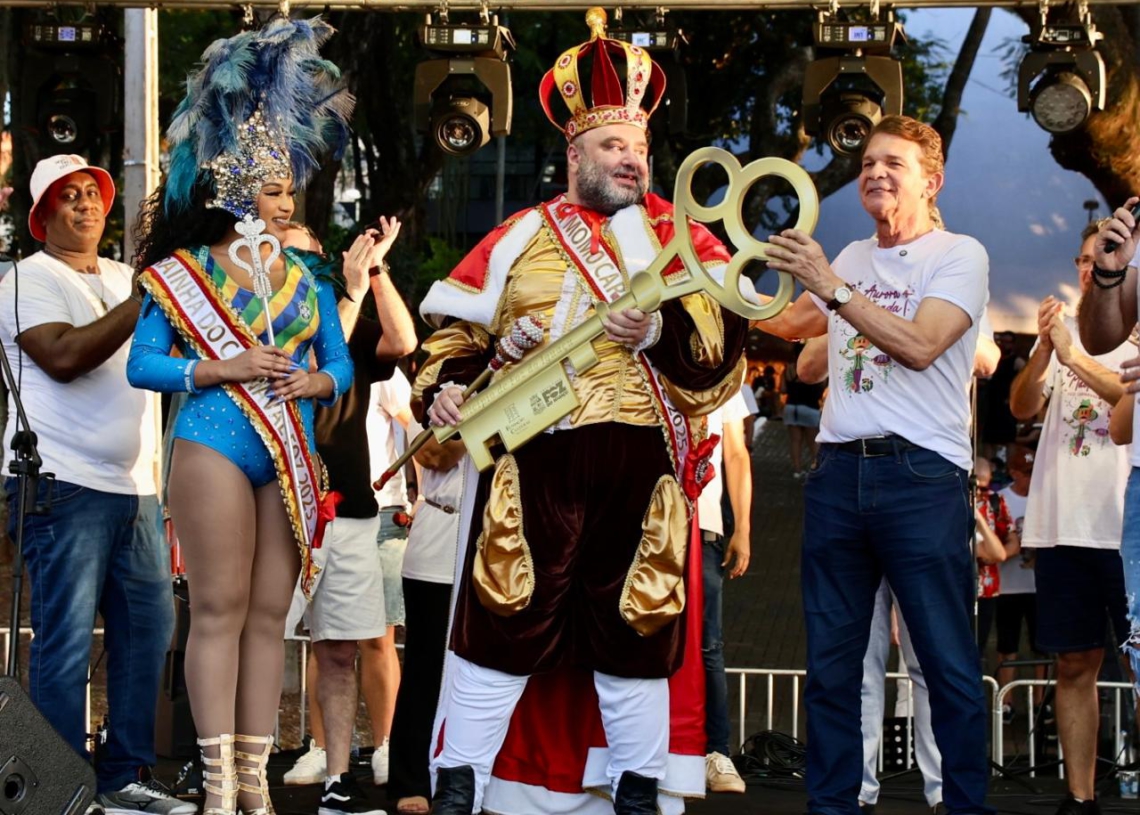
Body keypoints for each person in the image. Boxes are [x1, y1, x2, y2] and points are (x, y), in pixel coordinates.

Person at [415, 10, 748, 814]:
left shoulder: (687, 242)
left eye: (638, 146)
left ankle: (636, 794)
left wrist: (662, 330)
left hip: (642, 465)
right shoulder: (519, 234)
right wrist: (446, 388)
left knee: (636, 633)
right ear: (574, 154)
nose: (631, 159)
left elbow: (720, 362)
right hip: (535, 461)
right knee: (502, 620)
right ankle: (461, 788)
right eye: (612, 146)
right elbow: (451, 336)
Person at [127, 18, 354, 815]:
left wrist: (318, 384)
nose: (283, 196)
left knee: (270, 616)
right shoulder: (180, 274)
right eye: (269, 186)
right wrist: (217, 365)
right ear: (231, 189)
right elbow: (140, 363)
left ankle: (255, 777)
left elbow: (343, 361)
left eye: (289, 185)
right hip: (214, 437)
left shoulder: (310, 275)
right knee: (218, 607)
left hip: (283, 443)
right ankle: (216, 777)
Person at [757, 115, 993, 815]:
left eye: (893, 162)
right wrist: (714, 264)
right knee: (831, 668)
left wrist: (831, 287)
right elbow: (790, 323)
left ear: (932, 180)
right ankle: (832, 805)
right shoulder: (853, 257)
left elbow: (922, 344)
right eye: (866, 163)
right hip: (836, 476)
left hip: (921, 477)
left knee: (945, 664)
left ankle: (964, 805)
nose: (875, 172)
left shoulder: (960, 254)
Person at [0, 154, 189, 815]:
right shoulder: (28, 278)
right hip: (60, 484)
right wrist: (145, 299)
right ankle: (60, 786)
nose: (85, 203)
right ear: (43, 216)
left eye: (92, 193)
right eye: (68, 196)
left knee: (148, 626)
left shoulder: (120, 275)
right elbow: (63, 356)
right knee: (66, 638)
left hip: (134, 489)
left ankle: (123, 775)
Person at [279, 217, 415, 813]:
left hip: (353, 512)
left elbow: (404, 343)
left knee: (341, 646)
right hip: (277, 507)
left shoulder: (346, 321)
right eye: (284, 258)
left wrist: (376, 273)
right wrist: (353, 292)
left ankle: (338, 779)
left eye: (310, 260)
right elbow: (310, 373)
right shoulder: (259, 324)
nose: (298, 272)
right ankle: (239, 774)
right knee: (255, 642)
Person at [1012, 220, 1133, 815]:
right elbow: (1021, 406)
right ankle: (1080, 797)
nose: (1090, 269)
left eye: (1104, 259)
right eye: (1084, 260)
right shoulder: (1064, 337)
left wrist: (1072, 357)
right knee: (1073, 661)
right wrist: (1042, 352)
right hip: (1064, 527)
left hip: (1124, 528)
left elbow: (1124, 399)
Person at [387, 426, 468, 815]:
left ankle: (478, 777)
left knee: (494, 672)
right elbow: (434, 454)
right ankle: (411, 777)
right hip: (439, 535)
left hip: (503, 543)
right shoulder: (444, 376)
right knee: (425, 667)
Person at [699, 393, 752, 794]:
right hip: (643, 523)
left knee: (708, 645)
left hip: (704, 527)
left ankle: (717, 752)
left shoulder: (726, 372)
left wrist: (743, 527)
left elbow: (736, 454)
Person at [993, 445, 1046, 720]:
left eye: (1034, 471)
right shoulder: (1000, 499)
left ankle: (1040, 701)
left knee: (1042, 644)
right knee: (1007, 645)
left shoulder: (1044, 497)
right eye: (1026, 472)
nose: (1031, 477)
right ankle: (1006, 700)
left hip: (1038, 585)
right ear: (1013, 472)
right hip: (1008, 585)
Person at [782, 344, 826, 477]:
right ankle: (816, 469)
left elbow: (783, 389)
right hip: (809, 407)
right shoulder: (813, 368)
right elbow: (821, 388)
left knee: (795, 441)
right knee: (813, 442)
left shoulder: (788, 369)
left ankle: (797, 470)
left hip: (791, 406)